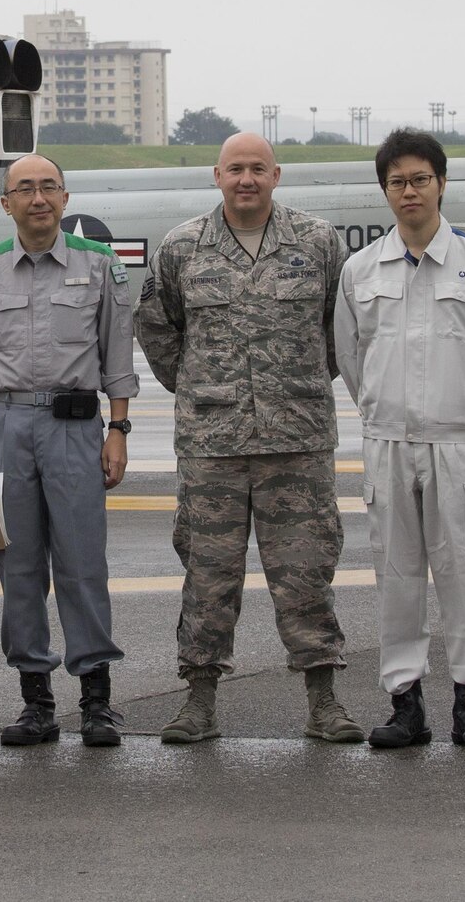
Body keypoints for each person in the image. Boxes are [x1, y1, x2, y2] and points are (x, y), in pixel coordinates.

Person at [135, 132, 365, 744]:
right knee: (208, 575)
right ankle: (199, 701)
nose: (246, 179)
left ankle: (324, 702)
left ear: (276, 175)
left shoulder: (316, 243)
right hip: (213, 444)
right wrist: (204, 388)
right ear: (217, 176)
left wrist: (300, 383)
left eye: (257, 169)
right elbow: (160, 332)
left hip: (298, 440)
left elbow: (338, 331)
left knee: (307, 572)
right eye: (235, 169)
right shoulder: (183, 247)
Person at [334, 130, 465, 750]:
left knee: (462, 571)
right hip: (387, 440)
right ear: (384, 190)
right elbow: (350, 356)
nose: (408, 191)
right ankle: (405, 702)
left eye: (419, 179)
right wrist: (382, 409)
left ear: (442, 183)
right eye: (396, 182)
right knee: (396, 574)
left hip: (454, 441)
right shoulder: (361, 270)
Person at [0, 153, 136, 747]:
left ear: (64, 197)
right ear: (6, 204)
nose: (37, 199)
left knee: (83, 564)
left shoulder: (100, 264)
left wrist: (119, 431)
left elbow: (117, 357)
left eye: (48, 188)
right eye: (24, 189)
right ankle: (35, 700)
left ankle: (97, 700)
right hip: (6, 428)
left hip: (76, 427)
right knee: (18, 567)